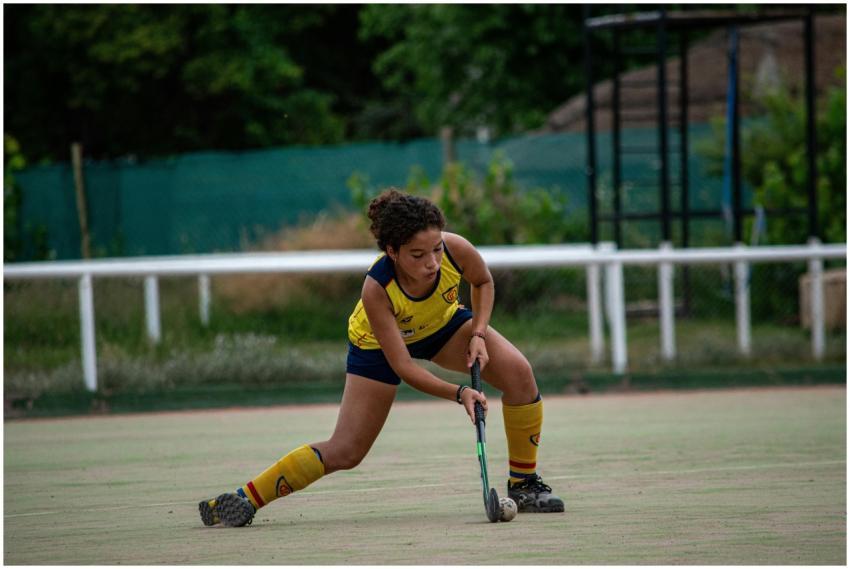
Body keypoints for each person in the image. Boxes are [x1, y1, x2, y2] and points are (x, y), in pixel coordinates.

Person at [199, 188, 564, 527]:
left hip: (444, 326)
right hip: (377, 346)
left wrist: (479, 333)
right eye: (417, 255)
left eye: (435, 249)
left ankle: (524, 483)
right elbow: (404, 366)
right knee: (346, 451)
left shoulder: (455, 249)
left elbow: (482, 282)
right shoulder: (377, 288)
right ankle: (244, 499)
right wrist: (459, 393)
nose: (432, 263)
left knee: (519, 374)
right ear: (392, 251)